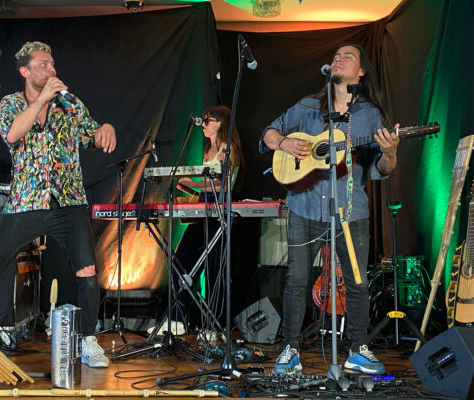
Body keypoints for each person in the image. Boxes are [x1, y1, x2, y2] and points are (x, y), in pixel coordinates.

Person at [259, 43, 399, 375]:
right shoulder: (307, 106)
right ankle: (290, 350)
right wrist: (283, 142)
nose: (338, 58)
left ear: (361, 70)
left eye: (347, 56)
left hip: (351, 208)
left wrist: (390, 153)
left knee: (356, 281)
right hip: (304, 204)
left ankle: (357, 349)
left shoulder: (370, 115)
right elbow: (267, 133)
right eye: (336, 55)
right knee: (296, 280)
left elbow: (381, 169)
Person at [0, 41, 116, 367]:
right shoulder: (11, 103)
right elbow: (12, 134)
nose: (52, 70)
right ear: (25, 71)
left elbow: (91, 134)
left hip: (68, 199)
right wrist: (42, 100)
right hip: (27, 200)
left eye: (52, 64)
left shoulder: (69, 103)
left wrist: (104, 128)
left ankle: (88, 340)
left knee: (87, 270)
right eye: (43, 65)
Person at [149, 105, 243, 339]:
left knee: (213, 269)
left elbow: (222, 184)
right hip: (201, 206)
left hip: (219, 207)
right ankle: (177, 319)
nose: (203, 124)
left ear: (220, 123)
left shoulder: (227, 149)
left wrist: (190, 183)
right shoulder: (207, 151)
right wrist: (188, 185)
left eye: (208, 120)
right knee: (181, 262)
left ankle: (212, 325)